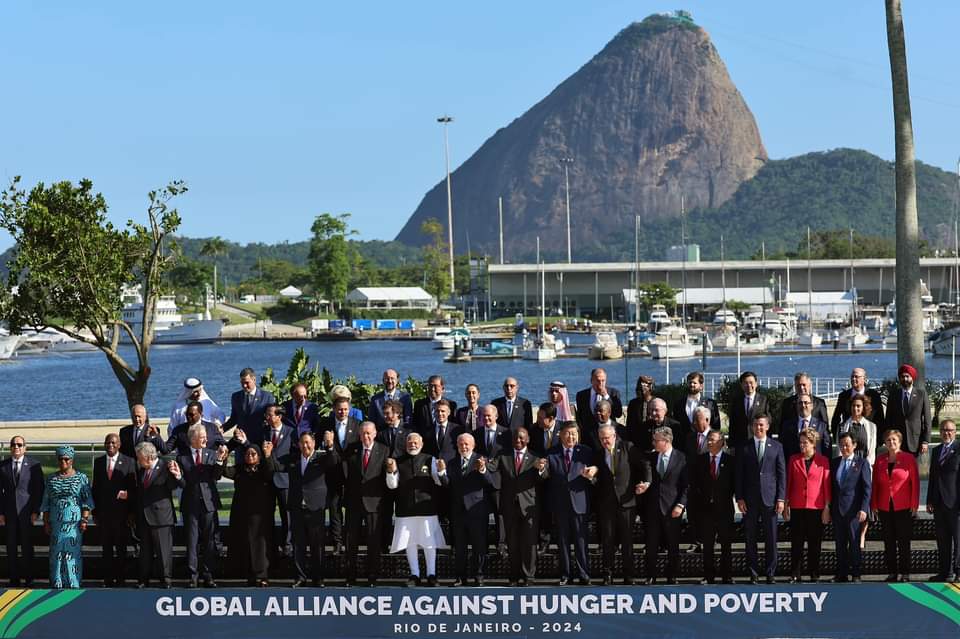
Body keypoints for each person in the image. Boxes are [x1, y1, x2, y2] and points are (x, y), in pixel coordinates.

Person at [386, 432, 448, 587]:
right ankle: (414, 574)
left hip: (426, 508)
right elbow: (392, 485)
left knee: (429, 542)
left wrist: (441, 471)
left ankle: (431, 574)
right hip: (405, 509)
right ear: (405, 444)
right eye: (409, 442)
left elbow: (440, 482)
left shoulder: (430, 459)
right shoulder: (398, 461)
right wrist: (391, 471)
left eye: (415, 442)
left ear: (421, 443)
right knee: (410, 543)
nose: (412, 444)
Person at [490, 427, 548, 586]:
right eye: (516, 438)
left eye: (522, 438)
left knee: (529, 543)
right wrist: (481, 465)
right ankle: (514, 576)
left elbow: (544, 477)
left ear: (528, 439)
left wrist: (541, 469)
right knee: (513, 542)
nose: (518, 441)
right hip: (509, 506)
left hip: (529, 506)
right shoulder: (503, 456)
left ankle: (529, 576)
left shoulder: (536, 457)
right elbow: (490, 468)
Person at [594, 424, 649, 585]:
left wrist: (646, 482)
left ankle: (629, 575)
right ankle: (608, 574)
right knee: (608, 540)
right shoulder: (598, 455)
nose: (605, 441)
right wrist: (591, 478)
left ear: (614, 436)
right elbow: (598, 480)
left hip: (626, 502)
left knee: (627, 541)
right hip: (607, 504)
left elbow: (644, 463)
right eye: (602, 438)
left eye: (607, 438)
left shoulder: (627, 447)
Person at [283, 430, 338, 587]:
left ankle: (318, 577)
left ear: (313, 443)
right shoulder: (293, 460)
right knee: (298, 545)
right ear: (299, 444)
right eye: (302, 442)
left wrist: (329, 446)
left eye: (308, 442)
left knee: (317, 545)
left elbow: (334, 461)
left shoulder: (321, 458)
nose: (305, 445)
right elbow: (276, 466)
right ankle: (300, 577)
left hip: (315, 508)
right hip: (297, 508)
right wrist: (267, 455)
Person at [735, 415, 786, 584]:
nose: (759, 428)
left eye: (762, 425)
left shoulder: (777, 447)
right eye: (756, 425)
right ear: (752, 427)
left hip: (770, 499)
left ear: (768, 426)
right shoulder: (744, 447)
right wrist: (739, 497)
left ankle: (770, 572)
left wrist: (781, 498)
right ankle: (753, 573)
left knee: (771, 538)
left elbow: (781, 474)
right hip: (749, 500)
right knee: (750, 538)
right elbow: (739, 474)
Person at [440, 433, 495, 586]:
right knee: (460, 546)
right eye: (461, 444)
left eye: (466, 444)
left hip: (477, 511)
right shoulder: (451, 462)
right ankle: (460, 576)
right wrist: (441, 473)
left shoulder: (481, 459)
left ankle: (479, 575)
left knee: (479, 545)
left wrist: (483, 469)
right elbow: (447, 485)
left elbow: (490, 483)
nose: (463, 447)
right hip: (458, 511)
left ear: (473, 445)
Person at [176, 423, 227, 588]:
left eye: (206, 436)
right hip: (190, 504)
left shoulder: (212, 454)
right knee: (192, 541)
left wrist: (219, 461)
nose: (206, 439)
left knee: (209, 540)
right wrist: (177, 476)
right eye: (202, 436)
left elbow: (216, 476)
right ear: (193, 439)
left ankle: (208, 574)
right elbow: (183, 483)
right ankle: (193, 575)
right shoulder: (182, 458)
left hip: (208, 503)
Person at [546, 421, 596, 586]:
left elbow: (596, 477)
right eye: (567, 433)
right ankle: (565, 574)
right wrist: (540, 469)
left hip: (579, 504)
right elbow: (545, 477)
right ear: (560, 435)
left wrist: (592, 475)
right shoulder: (551, 453)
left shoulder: (586, 452)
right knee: (563, 541)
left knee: (581, 541)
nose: (571, 437)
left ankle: (584, 573)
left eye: (574, 433)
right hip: (560, 505)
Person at [342, 422, 390, 587]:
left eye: (369, 433)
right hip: (353, 502)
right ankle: (350, 576)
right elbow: (345, 474)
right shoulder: (352, 449)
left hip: (374, 503)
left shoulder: (383, 450)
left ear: (375, 433)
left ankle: (372, 576)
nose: (366, 437)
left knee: (373, 541)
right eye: (363, 434)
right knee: (351, 541)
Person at [39, 446, 93, 589]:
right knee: (56, 555)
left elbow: (87, 501)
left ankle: (73, 583)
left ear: (72, 460)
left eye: (66, 459)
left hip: (74, 523)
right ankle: (57, 583)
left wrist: (84, 519)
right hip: (56, 522)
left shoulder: (81, 478)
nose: (63, 461)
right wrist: (45, 522)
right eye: (60, 459)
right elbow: (46, 502)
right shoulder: (51, 479)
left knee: (72, 554)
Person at [223, 442, 276, 586]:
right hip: (243, 513)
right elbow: (225, 471)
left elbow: (270, 472)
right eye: (247, 454)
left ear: (259, 456)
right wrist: (224, 457)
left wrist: (268, 455)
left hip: (260, 514)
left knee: (261, 545)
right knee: (246, 544)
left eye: (253, 454)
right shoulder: (240, 469)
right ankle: (250, 575)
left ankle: (262, 575)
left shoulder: (263, 468)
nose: (250, 456)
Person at [871, 429, 920, 582]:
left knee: (903, 540)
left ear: (900, 442)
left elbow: (915, 483)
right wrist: (874, 504)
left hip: (903, 506)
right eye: (888, 440)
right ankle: (892, 572)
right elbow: (875, 485)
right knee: (889, 540)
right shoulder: (880, 460)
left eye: (894, 440)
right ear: (885, 443)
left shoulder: (909, 458)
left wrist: (914, 504)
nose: (891, 443)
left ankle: (905, 572)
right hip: (884, 506)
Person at [642, 426, 688, 585]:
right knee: (651, 543)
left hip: (672, 508)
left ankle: (672, 574)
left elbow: (686, 485)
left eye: (656, 440)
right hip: (653, 508)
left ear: (666, 441)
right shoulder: (650, 457)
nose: (653, 442)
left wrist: (681, 505)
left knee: (672, 543)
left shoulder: (681, 458)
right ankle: (651, 575)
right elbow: (647, 476)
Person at [133, 442, 183, 589]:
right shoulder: (142, 471)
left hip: (161, 517)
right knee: (145, 552)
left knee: (163, 551)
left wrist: (177, 475)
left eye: (139, 458)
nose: (137, 461)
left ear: (148, 457)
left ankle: (166, 579)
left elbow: (174, 485)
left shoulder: (165, 467)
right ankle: (144, 579)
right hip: (144, 517)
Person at [784, 428, 831, 583]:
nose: (802, 445)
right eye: (801, 442)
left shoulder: (823, 461)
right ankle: (795, 573)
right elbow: (789, 483)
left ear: (813, 444)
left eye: (805, 443)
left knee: (815, 542)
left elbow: (826, 486)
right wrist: (786, 505)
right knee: (796, 542)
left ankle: (814, 573)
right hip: (797, 506)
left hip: (816, 507)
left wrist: (826, 507)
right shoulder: (794, 459)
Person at [92, 433, 136, 587]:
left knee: (121, 548)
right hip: (104, 514)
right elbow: (95, 489)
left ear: (119, 445)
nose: (110, 445)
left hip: (122, 515)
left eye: (113, 443)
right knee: (106, 549)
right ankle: (108, 579)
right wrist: (95, 512)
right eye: (107, 443)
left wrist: (131, 512)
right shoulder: (98, 462)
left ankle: (121, 578)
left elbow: (133, 488)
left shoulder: (129, 462)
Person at [692, 430, 736, 584]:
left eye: (713, 440)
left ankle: (727, 575)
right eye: (708, 440)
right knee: (708, 545)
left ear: (722, 443)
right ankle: (709, 576)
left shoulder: (731, 461)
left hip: (724, 508)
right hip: (706, 509)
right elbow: (695, 484)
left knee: (726, 544)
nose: (710, 442)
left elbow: (734, 484)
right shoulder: (700, 460)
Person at [320, 395, 361, 555]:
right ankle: (337, 543)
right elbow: (318, 444)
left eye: (345, 409)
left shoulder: (357, 425)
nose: (342, 412)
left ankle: (351, 543)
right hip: (333, 472)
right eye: (339, 409)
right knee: (334, 508)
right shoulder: (326, 425)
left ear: (349, 410)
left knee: (351, 509)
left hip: (351, 473)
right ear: (334, 410)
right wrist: (327, 444)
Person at [0, 435, 43, 587]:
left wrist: (36, 511)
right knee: (11, 547)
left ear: (25, 447)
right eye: (13, 444)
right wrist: (0, 513)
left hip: (27, 513)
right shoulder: (3, 465)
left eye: (19, 444)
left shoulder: (34, 465)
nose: (16, 447)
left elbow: (39, 490)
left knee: (27, 546)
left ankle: (29, 578)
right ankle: (13, 579)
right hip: (9, 514)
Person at [830, 432, 872, 583]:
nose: (844, 447)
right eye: (841, 445)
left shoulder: (862, 463)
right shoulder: (834, 463)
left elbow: (867, 488)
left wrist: (863, 508)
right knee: (839, 544)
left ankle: (856, 573)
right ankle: (841, 573)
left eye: (847, 444)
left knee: (854, 542)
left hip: (854, 511)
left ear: (854, 445)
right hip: (838, 510)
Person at [259, 404, 295, 558]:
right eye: (266, 415)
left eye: (270, 415)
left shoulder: (291, 432)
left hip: (284, 480)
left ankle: (287, 545)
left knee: (286, 514)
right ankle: (270, 546)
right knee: (267, 515)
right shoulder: (263, 432)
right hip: (267, 481)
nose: (267, 418)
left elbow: (293, 456)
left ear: (279, 416)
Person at [926, 419, 959, 582]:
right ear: (940, 432)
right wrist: (930, 499)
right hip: (939, 503)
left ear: (955, 432)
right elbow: (932, 476)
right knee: (942, 540)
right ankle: (944, 572)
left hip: (955, 503)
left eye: (950, 430)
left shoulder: (959, 449)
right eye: (944, 430)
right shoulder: (937, 450)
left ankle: (958, 572)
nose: (947, 433)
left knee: (958, 541)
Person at [883, 364, 930, 457]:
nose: (904, 379)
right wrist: (888, 439)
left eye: (907, 376)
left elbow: (927, 419)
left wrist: (925, 441)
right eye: (902, 377)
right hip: (897, 442)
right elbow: (888, 419)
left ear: (912, 378)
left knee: (912, 469)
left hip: (915, 441)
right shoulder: (894, 395)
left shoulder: (921, 394)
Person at [223, 367, 276, 442]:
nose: (244, 385)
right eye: (242, 383)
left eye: (247, 383)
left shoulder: (267, 397)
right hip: (241, 442)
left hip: (259, 441)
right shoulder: (236, 397)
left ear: (254, 380)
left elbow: (271, 419)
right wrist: (221, 430)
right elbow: (233, 419)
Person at [831, 368, 885, 438]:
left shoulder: (874, 396)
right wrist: (837, 436)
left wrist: (879, 440)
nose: (853, 379)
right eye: (852, 377)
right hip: (848, 439)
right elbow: (836, 417)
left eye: (856, 377)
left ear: (864, 379)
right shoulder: (843, 396)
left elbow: (880, 418)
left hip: (870, 436)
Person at [780, 393, 831, 461]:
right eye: (800, 403)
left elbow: (827, 449)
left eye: (806, 403)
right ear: (797, 406)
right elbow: (783, 448)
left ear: (812, 406)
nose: (803, 405)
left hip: (816, 467)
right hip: (794, 466)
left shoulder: (821, 426)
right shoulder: (787, 425)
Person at [575, 368, 622, 439]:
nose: (601, 383)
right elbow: (580, 417)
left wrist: (606, 396)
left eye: (603, 381)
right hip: (589, 437)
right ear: (591, 380)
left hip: (608, 435)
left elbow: (618, 413)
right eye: (598, 380)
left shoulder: (613, 393)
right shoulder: (581, 395)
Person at [672, 371, 720, 438]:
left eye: (694, 383)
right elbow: (675, 424)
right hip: (683, 443)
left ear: (701, 385)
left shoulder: (710, 404)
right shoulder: (679, 404)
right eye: (690, 382)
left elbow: (716, 425)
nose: (691, 385)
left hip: (705, 443)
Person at [727, 371, 768, 451]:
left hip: (758, 442)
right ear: (742, 385)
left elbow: (768, 421)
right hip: (740, 444)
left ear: (756, 384)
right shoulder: (736, 401)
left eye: (751, 382)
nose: (749, 385)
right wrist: (731, 445)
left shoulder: (764, 400)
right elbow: (732, 424)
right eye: (746, 383)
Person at [837, 395, 877, 466]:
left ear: (863, 408)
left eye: (858, 406)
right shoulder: (842, 426)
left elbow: (872, 450)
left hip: (865, 464)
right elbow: (840, 449)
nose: (855, 408)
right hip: (847, 464)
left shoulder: (872, 427)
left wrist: (867, 466)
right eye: (853, 405)